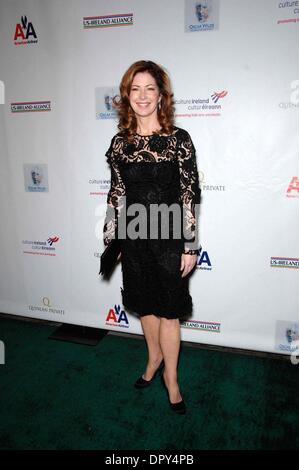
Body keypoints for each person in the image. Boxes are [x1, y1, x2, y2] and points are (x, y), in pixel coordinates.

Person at [103, 60, 201, 414]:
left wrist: (190, 244)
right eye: (135, 89)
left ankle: (171, 379)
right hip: (133, 238)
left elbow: (189, 193)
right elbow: (116, 192)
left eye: (150, 89)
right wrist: (111, 238)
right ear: (126, 96)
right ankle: (153, 361)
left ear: (161, 95)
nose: (142, 96)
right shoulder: (120, 143)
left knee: (169, 312)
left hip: (169, 238)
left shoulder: (178, 140)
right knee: (145, 306)